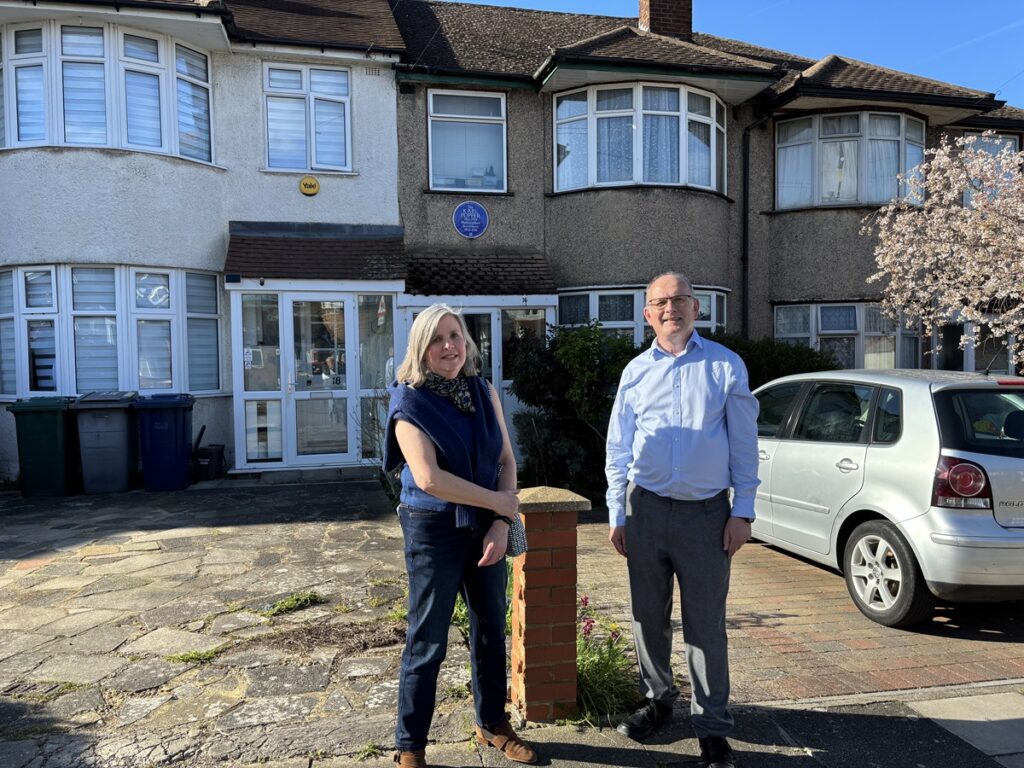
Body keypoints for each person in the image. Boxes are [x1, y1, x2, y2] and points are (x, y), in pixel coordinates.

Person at [605, 272, 759, 768]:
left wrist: (743, 511)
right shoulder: (634, 372)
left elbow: (743, 446)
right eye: (660, 302)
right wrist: (616, 512)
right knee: (647, 617)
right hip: (644, 510)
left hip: (707, 517)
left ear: (696, 309)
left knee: (706, 625)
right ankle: (659, 699)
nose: (670, 308)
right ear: (647, 314)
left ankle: (713, 728)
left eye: (679, 300)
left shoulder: (725, 366)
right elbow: (618, 448)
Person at [383, 304, 537, 768]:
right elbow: (429, 479)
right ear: (421, 348)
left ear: (466, 342)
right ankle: (410, 745)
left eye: (455, 336)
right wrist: (498, 505)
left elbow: (506, 462)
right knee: (428, 638)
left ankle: (493, 724)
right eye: (436, 339)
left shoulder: (483, 390)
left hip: (486, 527)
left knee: (490, 627)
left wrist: (499, 523)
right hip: (434, 528)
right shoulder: (408, 402)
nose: (448, 346)